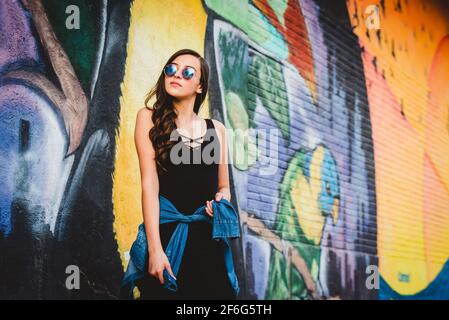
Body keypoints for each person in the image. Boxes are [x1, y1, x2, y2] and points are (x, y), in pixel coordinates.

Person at [133, 48, 236, 299]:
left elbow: (224, 187)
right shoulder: (148, 118)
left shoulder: (218, 130)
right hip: (168, 240)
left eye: (187, 72)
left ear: (200, 86)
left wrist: (221, 201)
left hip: (208, 240)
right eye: (171, 69)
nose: (176, 75)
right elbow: (150, 186)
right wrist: (155, 250)